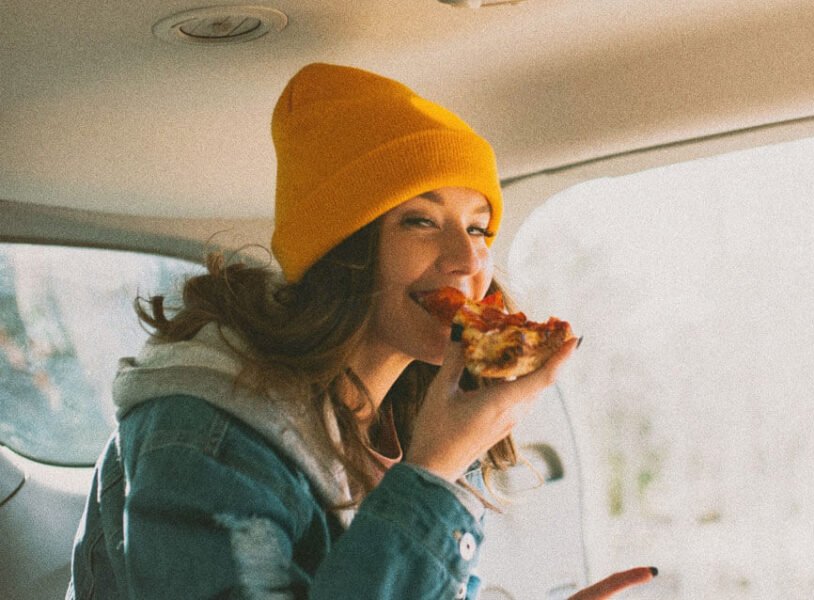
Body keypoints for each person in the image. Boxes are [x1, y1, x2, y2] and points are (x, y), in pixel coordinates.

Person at [67, 63, 653, 599]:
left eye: (479, 229)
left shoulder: (413, 418)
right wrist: (431, 475)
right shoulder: (203, 434)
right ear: (343, 251)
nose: (468, 260)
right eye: (420, 221)